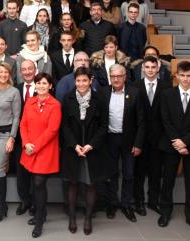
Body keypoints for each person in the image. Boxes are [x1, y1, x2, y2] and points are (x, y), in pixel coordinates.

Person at [158, 61, 190, 233]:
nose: (186, 79)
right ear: (177, 76)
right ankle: (165, 212)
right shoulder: (166, 95)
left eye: (189, 76)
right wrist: (177, 141)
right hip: (171, 144)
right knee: (168, 180)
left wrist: (185, 142)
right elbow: (165, 120)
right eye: (183, 75)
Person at [61, 67, 108, 235]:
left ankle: (88, 218)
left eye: (84, 80)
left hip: (91, 149)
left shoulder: (100, 99)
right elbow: (64, 126)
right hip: (73, 148)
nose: (81, 84)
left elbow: (103, 126)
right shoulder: (67, 99)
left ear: (91, 81)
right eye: (78, 80)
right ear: (75, 81)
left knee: (90, 184)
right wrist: (74, 145)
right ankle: (72, 217)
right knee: (73, 183)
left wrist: (90, 145)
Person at [97, 64, 145, 222]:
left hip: (129, 140)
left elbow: (141, 122)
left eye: (119, 76)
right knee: (111, 173)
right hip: (109, 139)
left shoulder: (135, 93)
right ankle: (112, 203)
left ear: (125, 77)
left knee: (129, 174)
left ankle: (126, 204)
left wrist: (138, 144)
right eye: (113, 76)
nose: (116, 79)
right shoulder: (103, 93)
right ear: (110, 77)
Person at [20, 72, 61, 238]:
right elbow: (23, 125)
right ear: (35, 85)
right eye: (38, 83)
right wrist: (26, 143)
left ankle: (39, 221)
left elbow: (52, 130)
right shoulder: (29, 102)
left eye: (45, 83)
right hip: (29, 147)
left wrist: (34, 146)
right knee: (34, 181)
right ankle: (41, 212)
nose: (41, 86)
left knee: (39, 182)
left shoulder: (55, 105)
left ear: (50, 86)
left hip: (45, 150)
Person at [133, 56, 171, 216]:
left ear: (158, 69)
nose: (150, 70)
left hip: (159, 138)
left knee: (156, 172)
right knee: (139, 172)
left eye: (152, 67)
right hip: (139, 137)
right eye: (147, 67)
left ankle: (153, 201)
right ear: (142, 69)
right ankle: (139, 202)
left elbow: (168, 114)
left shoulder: (166, 87)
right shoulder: (135, 86)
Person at [0, 63, 21, 222]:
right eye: (1, 72)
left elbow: (16, 117)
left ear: (9, 74)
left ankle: (1, 206)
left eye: (6, 72)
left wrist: (12, 138)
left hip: (4, 136)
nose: (3, 75)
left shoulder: (14, 92)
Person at [13, 59, 36, 215]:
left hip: (37, 138)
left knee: (36, 173)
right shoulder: (16, 89)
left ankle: (35, 202)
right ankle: (24, 201)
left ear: (35, 70)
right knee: (21, 172)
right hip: (20, 138)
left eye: (30, 69)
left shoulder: (43, 88)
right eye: (24, 69)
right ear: (20, 72)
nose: (27, 72)